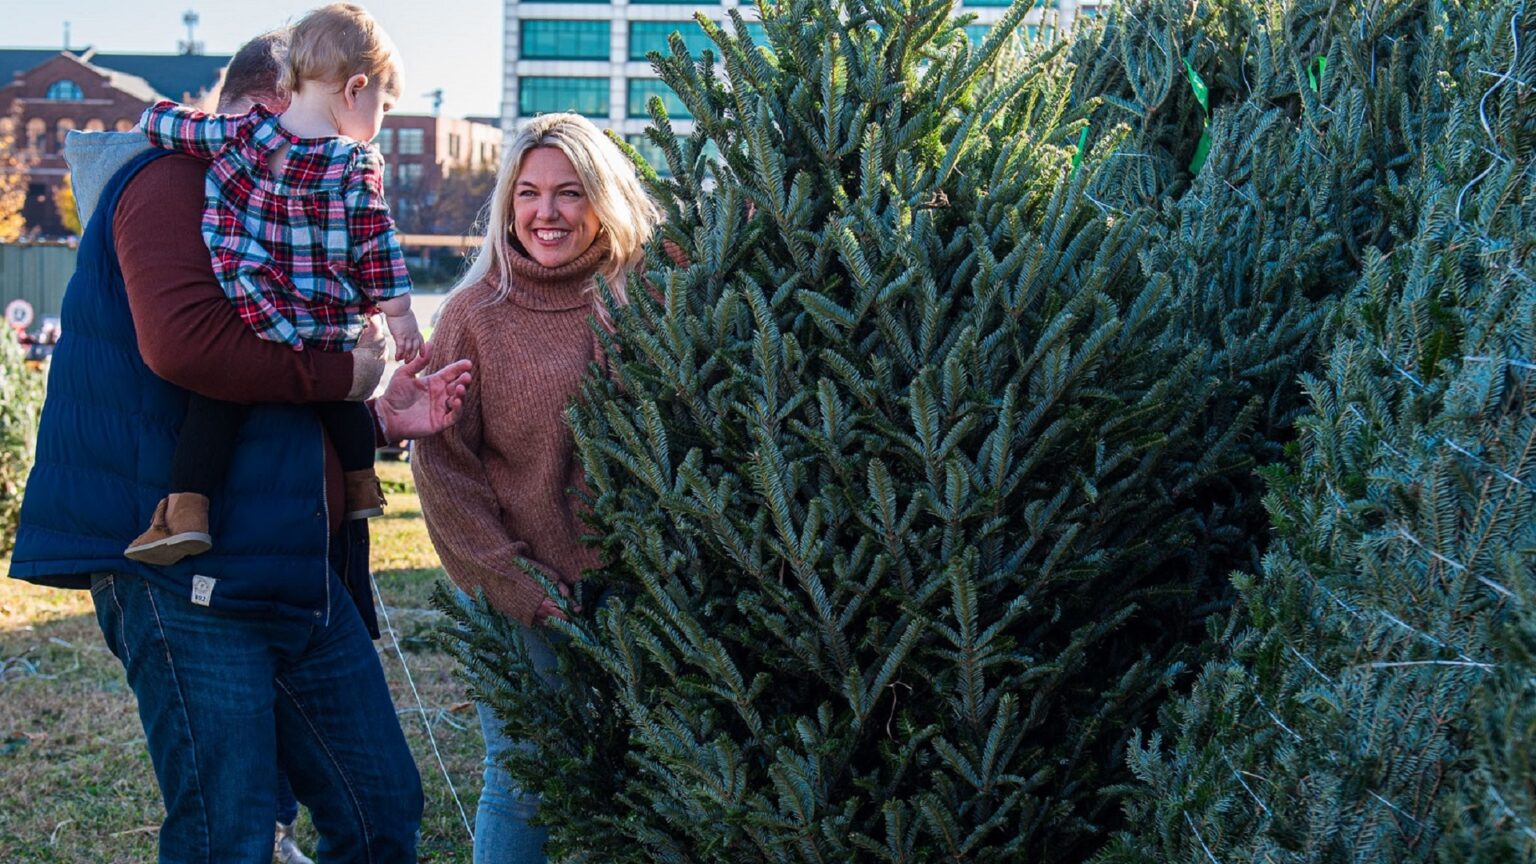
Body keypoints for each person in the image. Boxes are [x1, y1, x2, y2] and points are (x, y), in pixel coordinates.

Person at [8, 26, 472, 864]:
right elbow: (189, 347)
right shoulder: (172, 184)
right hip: (181, 573)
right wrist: (347, 378)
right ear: (273, 107)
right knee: (229, 831)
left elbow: (285, 378)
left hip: (293, 569)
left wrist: (375, 418)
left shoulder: (295, 198)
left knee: (381, 811)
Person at [413, 113, 660, 863]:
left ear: (605, 197)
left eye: (570, 192)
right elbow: (443, 469)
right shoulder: (475, 314)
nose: (546, 213)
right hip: (523, 587)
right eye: (528, 193)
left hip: (644, 594)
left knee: (635, 778)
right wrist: (517, 583)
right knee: (523, 778)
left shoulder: (650, 293)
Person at [126, 2, 420, 567]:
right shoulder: (354, 164)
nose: (381, 117)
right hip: (328, 320)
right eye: (383, 104)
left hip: (256, 308)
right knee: (342, 395)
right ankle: (361, 485)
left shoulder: (243, 136)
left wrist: (150, 121)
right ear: (355, 88)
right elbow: (376, 243)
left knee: (216, 404)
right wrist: (401, 314)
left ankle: (187, 511)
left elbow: (167, 124)